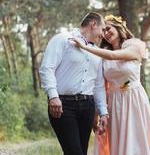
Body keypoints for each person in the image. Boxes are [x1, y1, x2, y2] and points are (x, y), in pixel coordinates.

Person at [70, 15, 150, 155]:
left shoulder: (134, 46)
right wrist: (97, 115)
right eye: (103, 30)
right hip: (114, 103)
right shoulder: (104, 55)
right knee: (116, 142)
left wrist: (84, 47)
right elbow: (101, 86)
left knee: (135, 141)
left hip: (134, 99)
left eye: (108, 28)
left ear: (119, 27)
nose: (105, 33)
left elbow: (113, 56)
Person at [39, 12, 109, 155]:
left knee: (82, 151)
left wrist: (103, 112)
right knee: (74, 152)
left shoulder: (97, 52)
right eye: (103, 29)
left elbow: (98, 85)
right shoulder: (63, 39)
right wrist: (53, 96)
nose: (104, 34)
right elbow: (47, 68)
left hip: (87, 107)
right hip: (63, 106)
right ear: (93, 24)